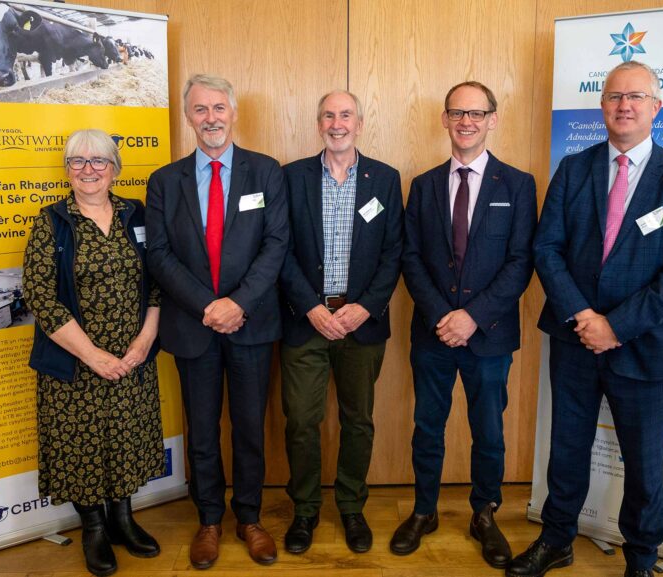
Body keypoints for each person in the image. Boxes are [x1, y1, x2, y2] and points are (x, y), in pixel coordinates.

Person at [513, 60, 663, 577]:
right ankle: (557, 539)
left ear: (656, 107)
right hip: (574, 338)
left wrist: (615, 326)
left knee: (645, 466)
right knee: (567, 451)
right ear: (602, 106)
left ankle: (641, 560)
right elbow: (547, 248)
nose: (624, 106)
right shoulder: (573, 168)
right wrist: (584, 316)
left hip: (646, 348)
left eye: (636, 97)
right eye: (614, 97)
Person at [144, 74, 288, 570]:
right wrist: (208, 305)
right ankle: (208, 519)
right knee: (202, 430)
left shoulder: (266, 172)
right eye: (200, 109)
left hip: (250, 324)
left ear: (233, 112)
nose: (211, 118)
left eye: (219, 107)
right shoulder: (165, 180)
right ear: (189, 117)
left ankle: (249, 517)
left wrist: (237, 303)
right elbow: (159, 255)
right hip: (192, 325)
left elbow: (275, 246)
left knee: (249, 427)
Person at [393, 81, 536, 569]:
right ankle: (424, 510)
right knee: (427, 427)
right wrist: (443, 317)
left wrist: (472, 318)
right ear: (445, 119)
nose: (467, 121)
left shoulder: (517, 185)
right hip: (433, 334)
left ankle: (485, 513)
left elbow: (520, 263)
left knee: (488, 431)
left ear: (493, 119)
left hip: (490, 336)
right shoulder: (424, 184)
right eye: (457, 112)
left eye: (477, 113)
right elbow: (410, 258)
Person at [24, 128, 163, 577]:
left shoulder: (135, 213)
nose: (88, 170)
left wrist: (142, 343)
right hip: (75, 361)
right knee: (81, 446)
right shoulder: (52, 221)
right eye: (78, 161)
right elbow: (41, 296)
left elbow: (158, 282)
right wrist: (93, 355)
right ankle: (95, 529)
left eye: (98, 161)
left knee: (125, 437)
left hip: (132, 357)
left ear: (114, 168)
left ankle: (123, 518)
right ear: (67, 169)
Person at [278, 90, 404, 554]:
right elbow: (281, 249)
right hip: (304, 319)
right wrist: (311, 306)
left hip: (362, 324)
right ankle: (305, 511)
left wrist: (365, 307)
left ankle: (352, 507)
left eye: (345, 114)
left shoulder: (385, 179)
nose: (337, 123)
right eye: (328, 115)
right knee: (301, 422)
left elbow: (394, 251)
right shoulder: (290, 177)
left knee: (359, 421)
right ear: (318, 123)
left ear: (360, 123)